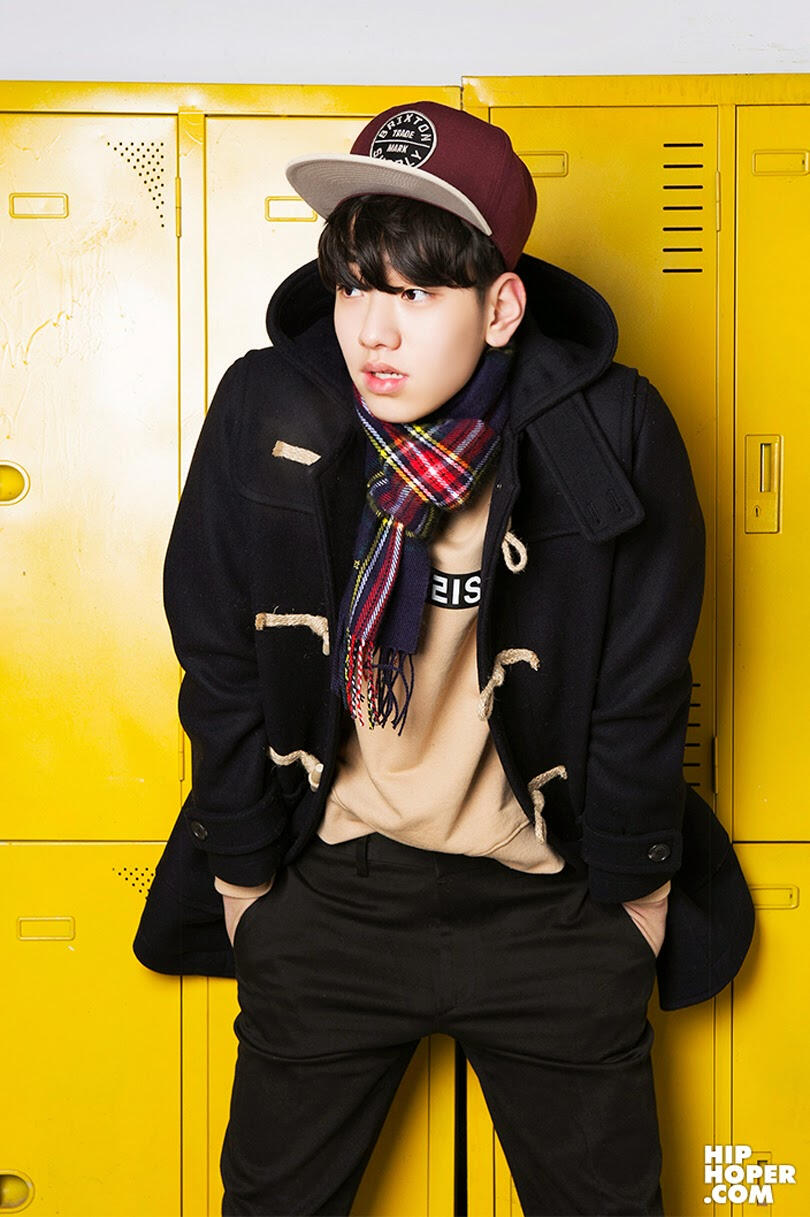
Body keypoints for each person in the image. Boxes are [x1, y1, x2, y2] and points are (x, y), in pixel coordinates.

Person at [133, 100, 754, 1216]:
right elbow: (219, 654)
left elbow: (645, 681)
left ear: (500, 306)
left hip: (550, 910)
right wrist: (245, 883)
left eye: (416, 294)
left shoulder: (610, 426)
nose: (373, 331)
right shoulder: (268, 406)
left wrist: (637, 903)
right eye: (354, 287)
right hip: (332, 897)